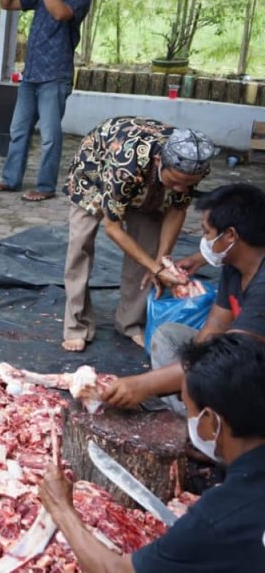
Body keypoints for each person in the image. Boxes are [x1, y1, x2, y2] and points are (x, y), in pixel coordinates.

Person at [38, 333, 265, 572]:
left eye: (188, 409)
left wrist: (61, 508)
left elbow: (113, 570)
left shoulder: (216, 518)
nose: (188, 419)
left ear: (210, 421)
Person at [102, 183, 265, 412]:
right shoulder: (234, 266)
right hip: (242, 358)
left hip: (252, 372)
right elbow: (215, 327)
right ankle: (194, 409)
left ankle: (213, 425)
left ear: (230, 236)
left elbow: (236, 357)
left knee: (218, 372)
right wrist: (188, 372)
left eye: (207, 232)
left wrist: (144, 384)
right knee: (167, 336)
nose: (204, 240)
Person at [60, 117, 215, 352]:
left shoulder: (191, 165)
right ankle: (76, 325)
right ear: (158, 160)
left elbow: (177, 209)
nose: (181, 189)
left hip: (148, 180)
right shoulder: (125, 166)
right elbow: (113, 228)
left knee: (149, 247)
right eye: (175, 182)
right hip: (96, 169)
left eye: (188, 184)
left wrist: (161, 261)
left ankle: (130, 323)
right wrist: (155, 269)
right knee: (80, 245)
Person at [0, 0, 93, 202]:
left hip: (55, 76)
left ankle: (45, 187)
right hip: (31, 75)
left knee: (50, 136)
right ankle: (10, 181)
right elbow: (7, 3)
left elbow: (60, 13)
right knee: (18, 130)